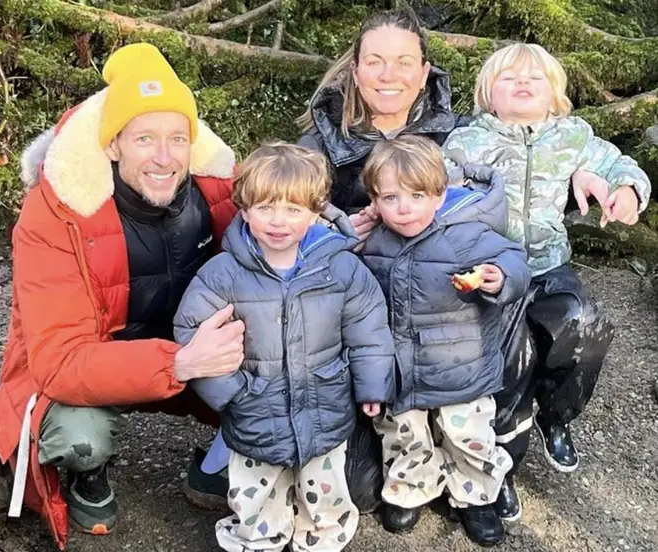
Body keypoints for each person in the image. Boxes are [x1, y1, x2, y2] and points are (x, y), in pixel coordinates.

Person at [0, 43, 244, 548]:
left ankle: (222, 461)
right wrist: (180, 363)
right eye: (144, 138)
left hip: (189, 351)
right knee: (78, 434)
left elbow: (286, 225)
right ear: (112, 145)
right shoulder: (55, 215)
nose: (163, 157)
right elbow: (58, 363)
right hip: (109, 359)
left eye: (178, 138)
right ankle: (88, 473)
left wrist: (336, 231)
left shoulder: (219, 192)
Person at [442, 43, 651, 521]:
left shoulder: (573, 136)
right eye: (509, 77)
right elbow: (438, 191)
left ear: (555, 95)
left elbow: (620, 164)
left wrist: (625, 190)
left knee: (585, 327)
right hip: (494, 270)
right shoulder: (467, 142)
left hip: (550, 264)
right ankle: (503, 465)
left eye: (534, 79)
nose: (522, 84)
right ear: (487, 95)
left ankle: (557, 414)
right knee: (512, 361)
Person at [173, 142, 396, 552]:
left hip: (325, 404)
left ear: (315, 212)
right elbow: (191, 330)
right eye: (265, 208)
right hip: (255, 407)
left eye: (293, 209)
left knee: (325, 491)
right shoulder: (222, 274)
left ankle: (321, 538)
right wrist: (230, 393)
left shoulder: (342, 267)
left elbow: (369, 328)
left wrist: (372, 386)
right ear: (244, 208)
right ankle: (260, 539)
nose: (279, 221)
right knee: (256, 494)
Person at [359, 135, 531, 545]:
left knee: (469, 438)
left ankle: (477, 497)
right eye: (391, 197)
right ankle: (411, 488)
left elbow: (513, 258)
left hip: (461, 366)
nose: (404, 207)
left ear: (439, 195)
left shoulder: (467, 233)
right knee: (403, 435)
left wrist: (499, 277)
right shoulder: (373, 240)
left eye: (416, 195)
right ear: (374, 201)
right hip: (400, 370)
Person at [298, 10, 470, 233]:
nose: (388, 75)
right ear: (356, 73)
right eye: (374, 62)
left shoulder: (463, 136)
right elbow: (282, 220)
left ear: (424, 73)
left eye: (404, 63)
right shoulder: (316, 148)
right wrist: (333, 233)